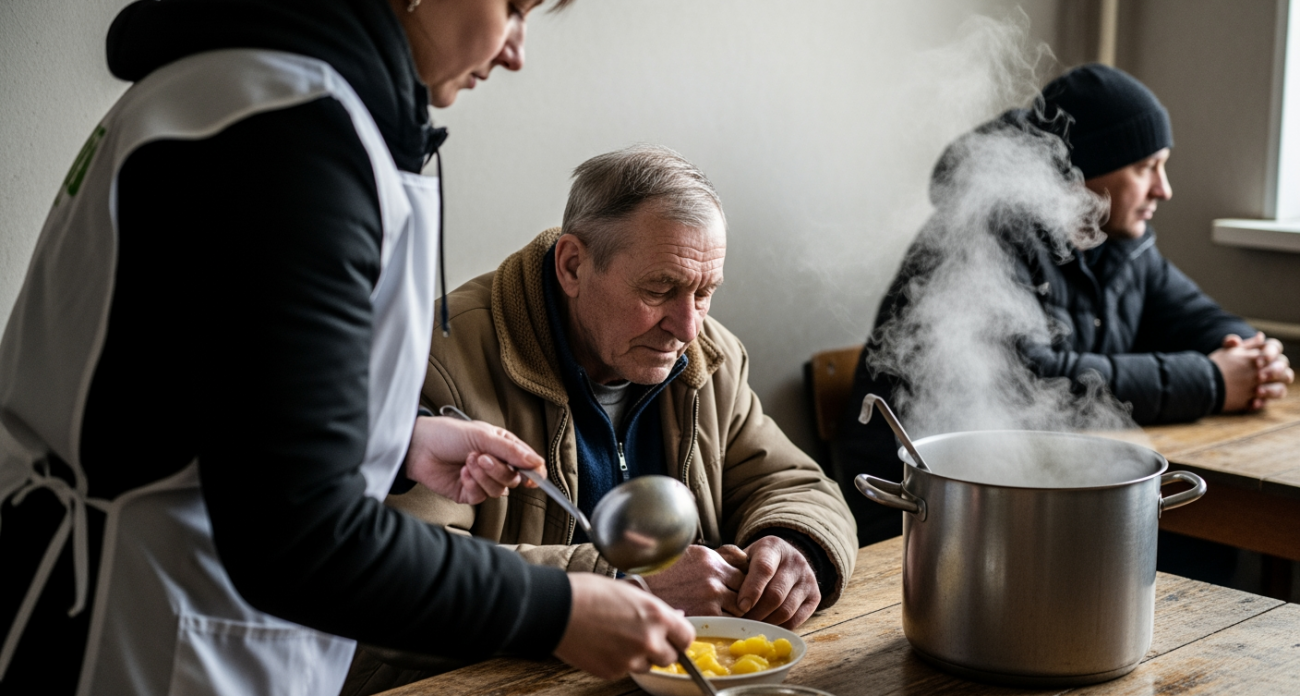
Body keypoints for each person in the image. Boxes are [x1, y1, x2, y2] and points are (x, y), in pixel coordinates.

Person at [0, 2, 693, 694]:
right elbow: (301, 535)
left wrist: (397, 442)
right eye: (512, 8)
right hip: (138, 638)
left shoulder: (266, 96)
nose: (515, 51)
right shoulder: (290, 134)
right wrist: (556, 607)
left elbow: (206, 392)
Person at [354, 144, 857, 685]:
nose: (687, 327)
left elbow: (794, 484)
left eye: (705, 292)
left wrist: (797, 545)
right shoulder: (434, 359)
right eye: (660, 289)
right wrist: (618, 583)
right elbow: (393, 588)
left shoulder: (708, 356)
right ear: (572, 265)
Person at [833, 64, 1294, 545]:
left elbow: (1197, 318)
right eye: (1146, 167)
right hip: (931, 514)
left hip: (1036, 492)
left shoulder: (1116, 239)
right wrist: (1212, 381)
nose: (1164, 189)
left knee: (1198, 547)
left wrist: (1253, 359)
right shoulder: (984, 232)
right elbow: (1028, 380)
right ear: (1083, 168)